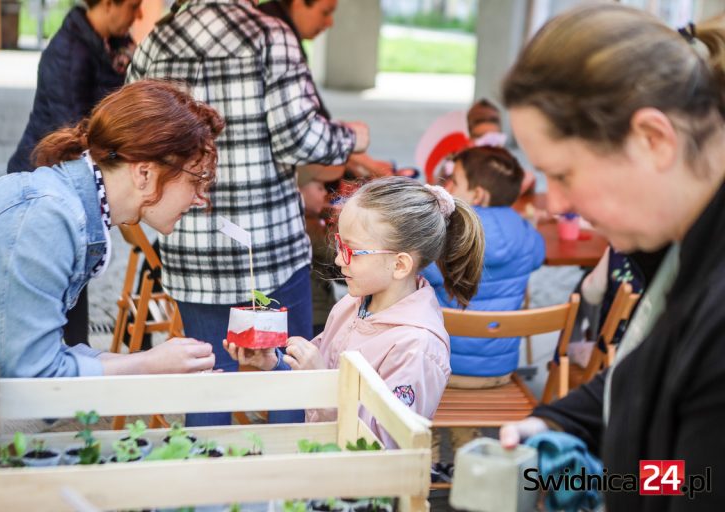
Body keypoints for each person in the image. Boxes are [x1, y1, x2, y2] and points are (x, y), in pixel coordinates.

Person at [497, 5, 725, 510]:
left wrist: (594, 480)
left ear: (653, 139)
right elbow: (646, 375)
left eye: (563, 174)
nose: (555, 205)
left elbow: (695, 482)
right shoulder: (677, 247)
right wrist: (557, 422)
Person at [0, 79, 222, 504]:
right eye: (196, 179)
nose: (200, 198)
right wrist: (148, 364)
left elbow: (44, 356)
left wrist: (148, 363)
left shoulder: (70, 209)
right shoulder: (49, 215)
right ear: (144, 172)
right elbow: (35, 380)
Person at [127, 0, 369, 427]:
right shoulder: (270, 35)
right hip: (270, 244)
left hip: (190, 245)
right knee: (288, 380)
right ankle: (289, 487)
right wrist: (352, 137)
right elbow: (301, 140)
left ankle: (210, 487)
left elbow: (133, 137)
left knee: (208, 380)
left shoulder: (155, 42)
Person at [224, 176, 486, 447]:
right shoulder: (353, 304)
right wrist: (275, 363)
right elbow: (317, 373)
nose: (338, 259)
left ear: (399, 265)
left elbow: (382, 445)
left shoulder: (416, 347)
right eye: (339, 244)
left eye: (352, 251)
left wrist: (321, 383)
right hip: (323, 464)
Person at [7, 0, 143, 347]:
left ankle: (71, 370)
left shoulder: (98, 44)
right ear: (109, 4)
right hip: (46, 185)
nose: (137, 15)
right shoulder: (72, 52)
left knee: (71, 289)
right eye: (133, 6)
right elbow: (74, 134)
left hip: (63, 185)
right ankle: (64, 374)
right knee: (60, 299)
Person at [423, 146, 544, 463]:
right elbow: (538, 256)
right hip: (499, 372)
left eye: (455, 181)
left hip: (445, 371)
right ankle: (466, 449)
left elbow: (417, 271)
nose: (448, 187)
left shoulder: (453, 232)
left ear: (476, 194)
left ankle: (431, 458)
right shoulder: (525, 231)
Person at [258, 0, 394, 179]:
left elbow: (315, 119)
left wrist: (366, 163)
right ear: (298, 3)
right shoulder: (277, 35)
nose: (330, 22)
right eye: (325, 12)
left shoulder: (274, 28)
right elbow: (302, 134)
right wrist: (357, 146)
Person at [298, 168, 344, 337]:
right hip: (316, 313)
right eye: (319, 188)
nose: (325, 192)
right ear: (299, 191)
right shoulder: (307, 225)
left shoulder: (312, 222)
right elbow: (333, 254)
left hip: (317, 310)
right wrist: (340, 222)